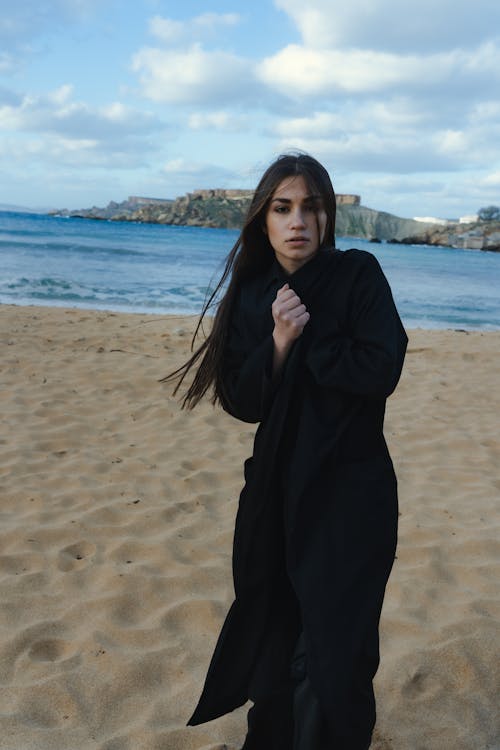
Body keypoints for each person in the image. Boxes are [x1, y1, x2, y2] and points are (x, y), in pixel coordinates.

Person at [163, 152, 408, 749]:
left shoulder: (358, 275)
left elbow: (381, 369)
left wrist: (311, 332)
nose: (297, 220)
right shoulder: (251, 295)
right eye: (282, 208)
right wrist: (279, 340)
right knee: (276, 629)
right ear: (263, 220)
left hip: (351, 491)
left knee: (336, 645)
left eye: (311, 207)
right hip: (274, 492)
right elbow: (244, 401)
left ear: (327, 218)